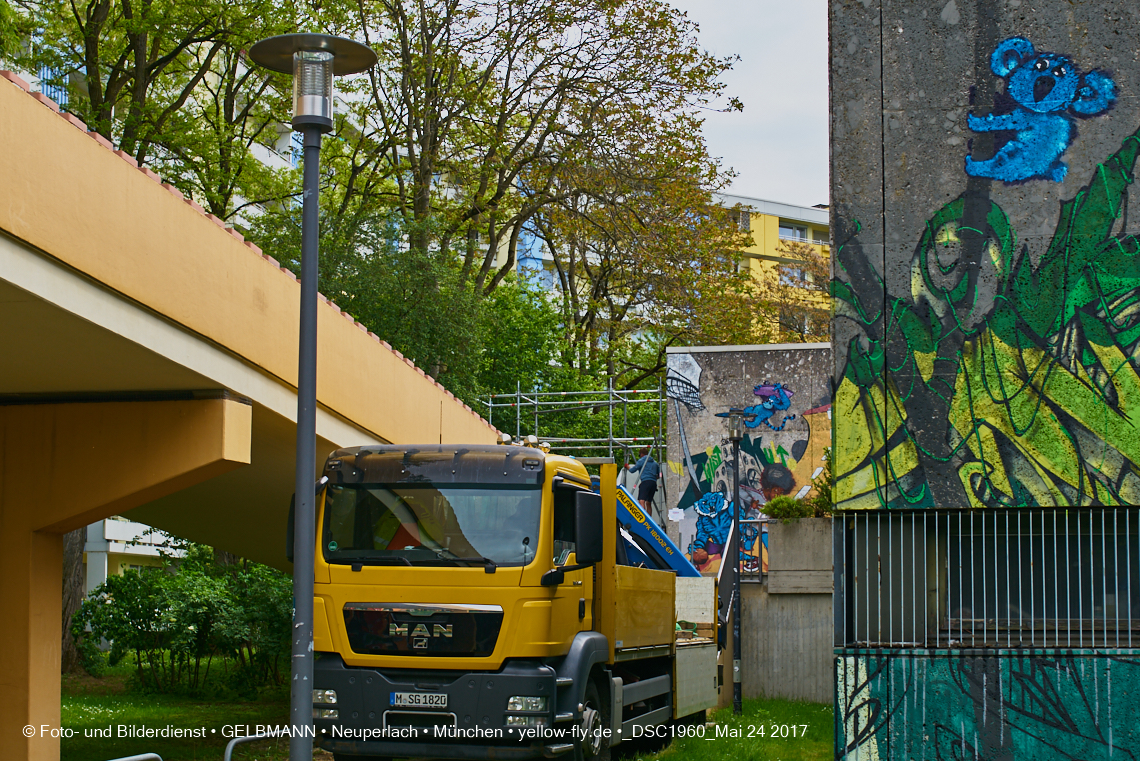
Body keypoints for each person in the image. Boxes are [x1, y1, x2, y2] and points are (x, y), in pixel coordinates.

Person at [626, 446, 661, 512]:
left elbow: (632, 470)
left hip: (645, 482)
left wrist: (627, 466)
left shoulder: (641, 461)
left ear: (641, 454)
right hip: (653, 483)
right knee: (648, 503)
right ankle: (649, 520)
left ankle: (643, 519)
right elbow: (658, 475)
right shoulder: (655, 463)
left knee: (642, 501)